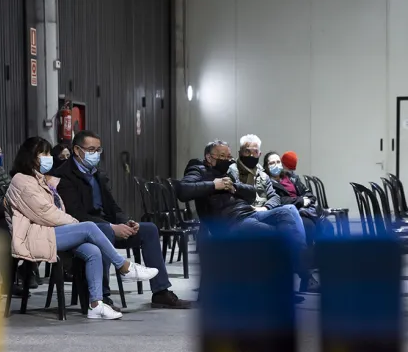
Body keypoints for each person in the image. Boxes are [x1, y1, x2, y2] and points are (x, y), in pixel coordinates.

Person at [6, 136, 159, 320]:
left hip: (48, 232)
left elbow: (56, 209)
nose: (49, 157)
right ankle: (124, 267)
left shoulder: (41, 181)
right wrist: (77, 225)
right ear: (30, 156)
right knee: (89, 227)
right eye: (44, 153)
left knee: (93, 250)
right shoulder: (21, 180)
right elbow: (46, 213)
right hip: (31, 236)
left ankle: (95, 304)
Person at [53, 130, 193, 309]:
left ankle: (161, 292)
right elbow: (75, 214)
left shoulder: (98, 174)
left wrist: (126, 221)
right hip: (82, 229)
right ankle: (101, 298)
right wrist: (111, 227)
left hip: (107, 224)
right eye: (91, 150)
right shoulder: (64, 176)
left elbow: (113, 206)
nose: (95, 154)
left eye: (98, 150)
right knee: (103, 231)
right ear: (77, 150)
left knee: (149, 229)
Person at [178, 140, 311, 287]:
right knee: (279, 236)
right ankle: (279, 287)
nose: (228, 160)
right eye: (223, 156)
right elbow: (183, 190)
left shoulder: (227, 172)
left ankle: (303, 276)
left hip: (248, 213)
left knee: (289, 211)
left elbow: (251, 194)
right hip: (229, 222)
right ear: (209, 157)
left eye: (229, 156)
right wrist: (214, 185)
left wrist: (234, 187)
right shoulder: (198, 168)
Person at [264, 151, 321, 243]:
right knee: (308, 226)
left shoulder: (290, 177)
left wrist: (306, 200)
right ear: (266, 167)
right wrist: (301, 201)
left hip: (304, 210)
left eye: (278, 162)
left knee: (327, 225)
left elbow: (309, 194)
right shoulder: (266, 182)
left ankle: (323, 254)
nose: (276, 165)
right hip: (288, 213)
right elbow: (278, 200)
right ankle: (307, 254)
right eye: (272, 163)